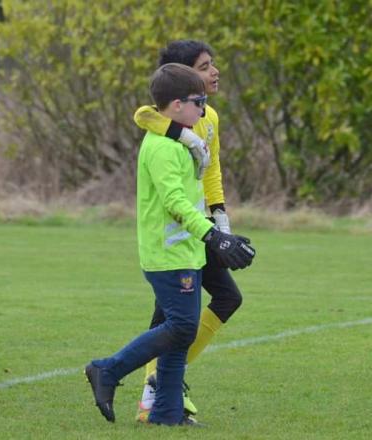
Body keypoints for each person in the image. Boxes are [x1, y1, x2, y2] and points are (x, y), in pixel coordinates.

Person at [85, 63, 255, 426]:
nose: (204, 108)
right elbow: (175, 205)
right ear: (176, 105)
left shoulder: (181, 142)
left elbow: (193, 199)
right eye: (199, 101)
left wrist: (218, 231)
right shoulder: (163, 149)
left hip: (186, 252)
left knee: (181, 335)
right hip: (168, 255)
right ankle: (108, 370)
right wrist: (214, 236)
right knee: (180, 327)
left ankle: (166, 413)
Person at [131, 40, 247, 421]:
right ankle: (154, 385)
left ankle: (161, 383)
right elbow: (142, 115)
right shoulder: (168, 121)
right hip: (176, 236)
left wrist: (221, 219)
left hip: (201, 228)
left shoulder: (207, 117)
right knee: (176, 314)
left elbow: (211, 170)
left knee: (219, 300)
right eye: (204, 66)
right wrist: (180, 133)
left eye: (213, 64)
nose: (214, 72)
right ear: (180, 79)